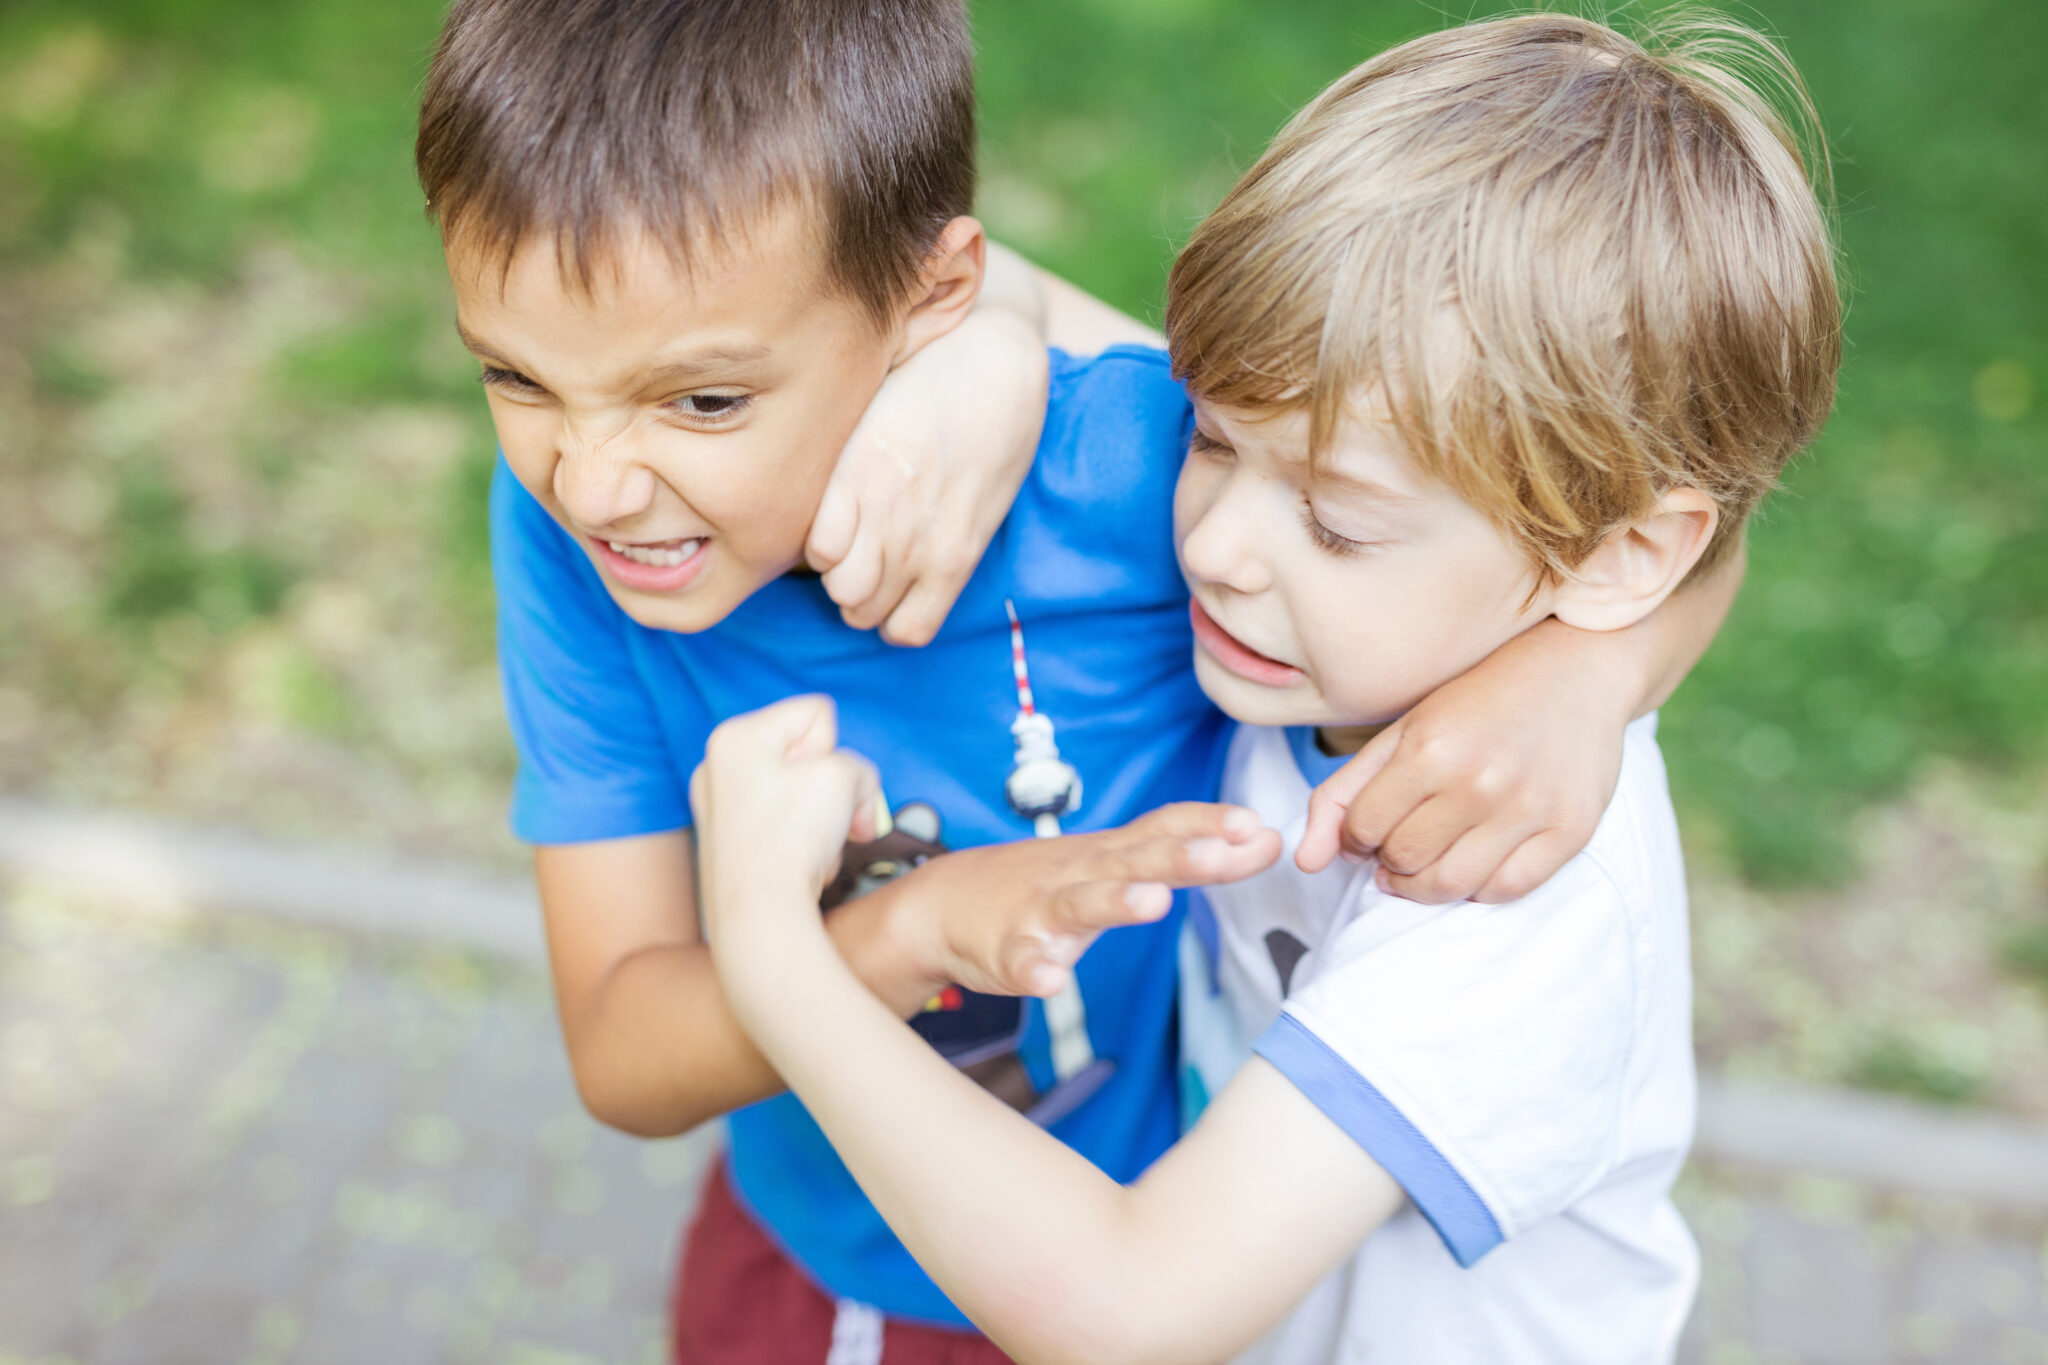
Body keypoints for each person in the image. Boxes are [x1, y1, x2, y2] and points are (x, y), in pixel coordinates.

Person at [414, 1, 1743, 1359]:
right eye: (513, 379)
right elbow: (623, 1046)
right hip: (826, 1259)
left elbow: (1635, 507)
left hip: (1097, 1266)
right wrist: (902, 932)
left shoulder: (1178, 493)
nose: (592, 479)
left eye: (701, 402)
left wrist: (1599, 667)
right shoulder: (576, 535)